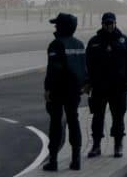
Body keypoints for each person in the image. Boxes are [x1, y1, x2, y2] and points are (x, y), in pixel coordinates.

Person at [85, 12, 127, 159]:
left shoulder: (123, 41)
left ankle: (118, 145)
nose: (109, 26)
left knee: (118, 117)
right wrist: (87, 83)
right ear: (102, 24)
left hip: (118, 86)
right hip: (99, 86)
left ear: (115, 23)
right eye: (106, 23)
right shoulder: (94, 41)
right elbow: (87, 63)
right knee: (97, 117)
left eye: (111, 23)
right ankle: (96, 146)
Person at [43, 13, 87, 172]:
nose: (55, 26)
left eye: (57, 24)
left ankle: (53, 161)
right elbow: (83, 67)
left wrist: (48, 89)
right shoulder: (79, 44)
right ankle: (76, 160)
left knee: (55, 123)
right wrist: (84, 85)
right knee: (73, 122)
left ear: (62, 27)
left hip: (58, 90)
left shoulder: (56, 45)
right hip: (75, 90)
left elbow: (53, 70)